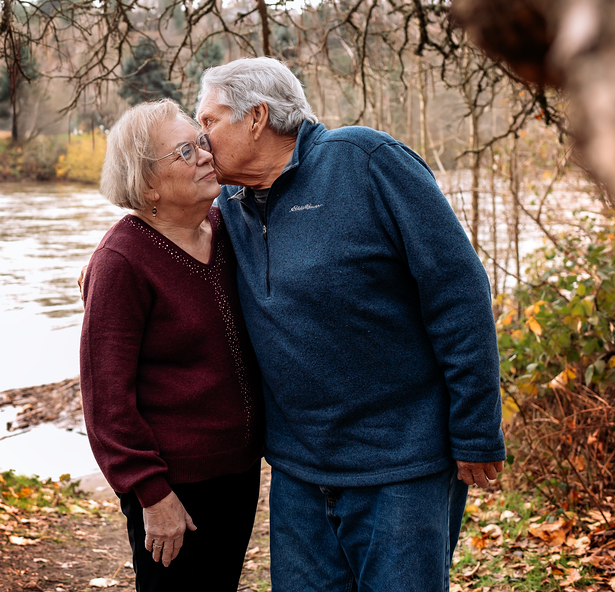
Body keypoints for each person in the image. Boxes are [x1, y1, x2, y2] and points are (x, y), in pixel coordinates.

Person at [195, 57, 507, 592]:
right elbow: (164, 225)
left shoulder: (365, 161)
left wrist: (476, 430)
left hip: (402, 464)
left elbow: (458, 292)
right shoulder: (231, 202)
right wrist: (112, 258)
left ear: (256, 118)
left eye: (207, 122)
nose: (200, 141)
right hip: (299, 470)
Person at [79, 99, 264, 592]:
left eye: (202, 142)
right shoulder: (120, 262)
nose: (206, 155)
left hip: (239, 474)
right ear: (148, 184)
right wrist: (151, 493)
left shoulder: (226, 230)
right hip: (173, 486)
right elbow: (106, 400)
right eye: (186, 150)